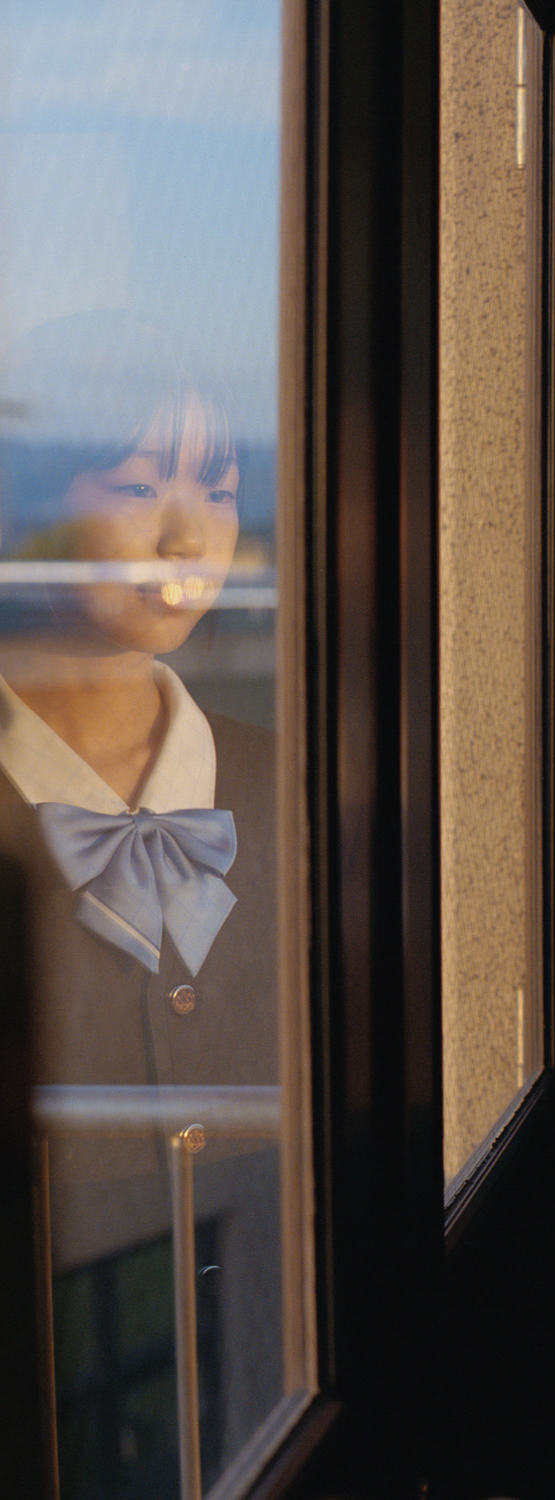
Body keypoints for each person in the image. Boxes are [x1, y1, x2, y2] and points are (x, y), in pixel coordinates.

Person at [0, 312, 279, 1493]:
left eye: (217, 486)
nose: (188, 531)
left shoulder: (292, 785)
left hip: (280, 1393)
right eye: (136, 481)